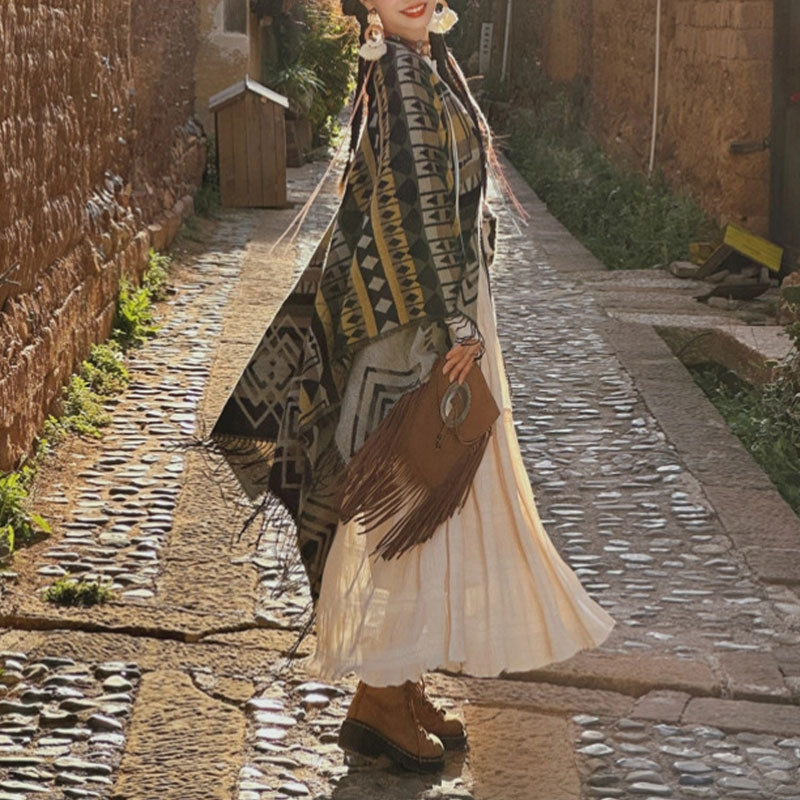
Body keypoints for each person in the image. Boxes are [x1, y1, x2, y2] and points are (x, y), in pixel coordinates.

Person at [208, 0, 617, 775]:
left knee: (429, 505)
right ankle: (379, 695)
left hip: (437, 315)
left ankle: (399, 678)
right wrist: (454, 326)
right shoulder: (398, 70)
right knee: (410, 504)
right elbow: (415, 208)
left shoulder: (423, 62)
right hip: (418, 328)